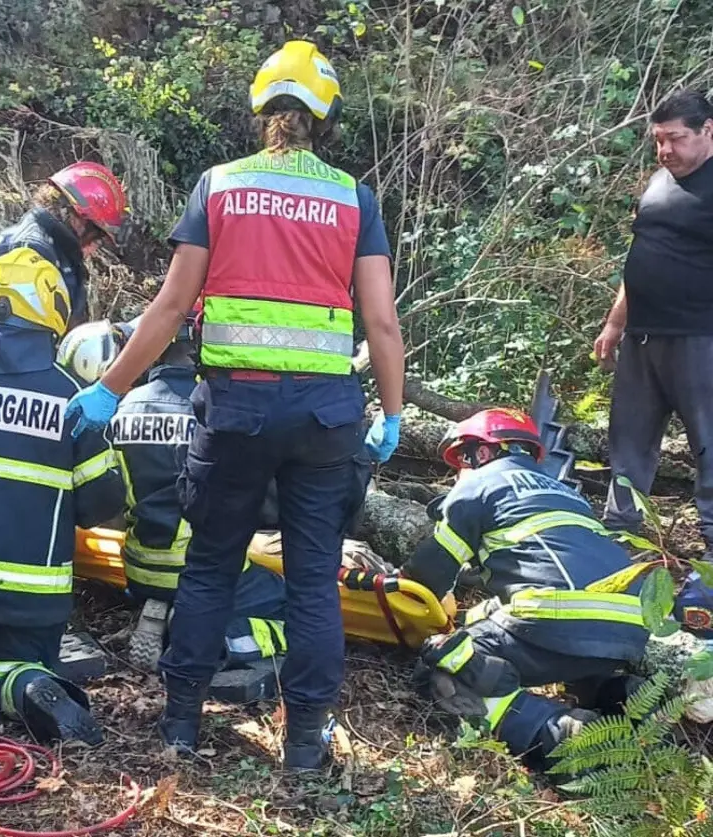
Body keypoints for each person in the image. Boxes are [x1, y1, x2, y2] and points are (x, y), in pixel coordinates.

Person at [63, 40, 406, 773]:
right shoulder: (354, 198)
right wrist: (394, 413)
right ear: (324, 116)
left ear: (262, 113)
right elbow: (380, 322)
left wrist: (107, 387)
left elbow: (171, 305)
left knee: (212, 563)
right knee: (313, 576)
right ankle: (306, 741)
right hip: (325, 418)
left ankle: (181, 724)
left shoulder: (218, 186)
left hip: (235, 410)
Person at [0, 254, 126, 746]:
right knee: (16, 667)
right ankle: (23, 684)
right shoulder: (72, 396)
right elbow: (101, 503)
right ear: (53, 314)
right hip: (29, 587)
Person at [400, 408, 651, 768]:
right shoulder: (568, 494)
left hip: (559, 619)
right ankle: (622, 695)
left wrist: (398, 587)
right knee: (570, 654)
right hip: (626, 629)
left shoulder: (479, 484)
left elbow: (426, 575)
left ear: (481, 453)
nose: (458, 473)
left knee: (447, 667)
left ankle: (559, 735)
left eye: (461, 462)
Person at [62, 315, 288, 673]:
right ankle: (216, 639)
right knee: (288, 606)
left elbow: (106, 495)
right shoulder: (214, 409)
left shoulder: (120, 407)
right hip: (199, 571)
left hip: (136, 570)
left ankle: (164, 607)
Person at [594, 89, 713, 558]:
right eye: (658, 141)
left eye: (675, 139)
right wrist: (614, 323)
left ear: (708, 130)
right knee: (628, 443)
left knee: (708, 445)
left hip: (699, 337)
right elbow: (642, 254)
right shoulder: (660, 181)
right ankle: (619, 544)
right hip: (644, 337)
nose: (665, 151)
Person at [0, 161, 130, 370]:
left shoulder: (40, 247)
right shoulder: (30, 256)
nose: (95, 247)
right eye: (97, 236)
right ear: (77, 218)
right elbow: (14, 348)